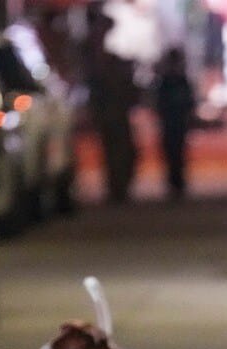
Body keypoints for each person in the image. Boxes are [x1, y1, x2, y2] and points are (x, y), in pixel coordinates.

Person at [84, 1, 139, 203]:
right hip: (109, 108)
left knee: (120, 148)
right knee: (115, 148)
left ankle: (120, 186)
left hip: (114, 108)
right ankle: (117, 187)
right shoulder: (92, 52)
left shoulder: (101, 54)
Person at [154, 47, 196, 200]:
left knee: (177, 155)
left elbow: (188, 103)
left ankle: (177, 184)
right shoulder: (167, 82)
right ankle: (174, 184)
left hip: (177, 125)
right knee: (172, 155)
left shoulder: (178, 81)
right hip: (171, 124)